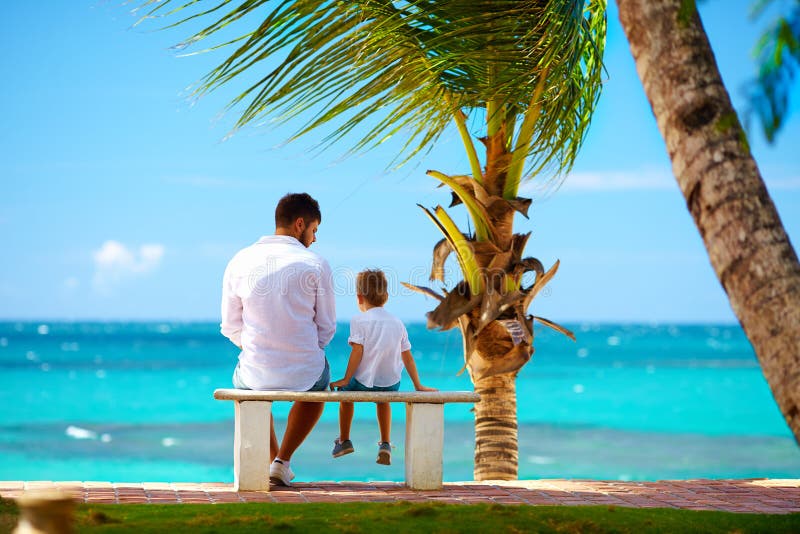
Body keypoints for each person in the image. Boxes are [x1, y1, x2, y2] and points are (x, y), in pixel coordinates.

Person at [220, 192, 336, 486]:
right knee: (319, 386)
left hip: (255, 369)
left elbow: (231, 325)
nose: (314, 239)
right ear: (300, 224)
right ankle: (281, 460)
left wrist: (260, 347)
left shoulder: (239, 260)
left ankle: (277, 462)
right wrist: (303, 348)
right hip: (305, 369)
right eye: (314, 231)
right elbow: (326, 327)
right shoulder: (316, 263)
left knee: (250, 387)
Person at [329, 269, 436, 465]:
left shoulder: (358, 320)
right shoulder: (397, 323)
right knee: (383, 401)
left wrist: (345, 379)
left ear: (359, 297)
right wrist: (418, 385)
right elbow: (408, 357)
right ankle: (385, 443)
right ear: (386, 297)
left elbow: (357, 352)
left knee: (345, 396)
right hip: (390, 384)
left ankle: (344, 440)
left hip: (363, 384)